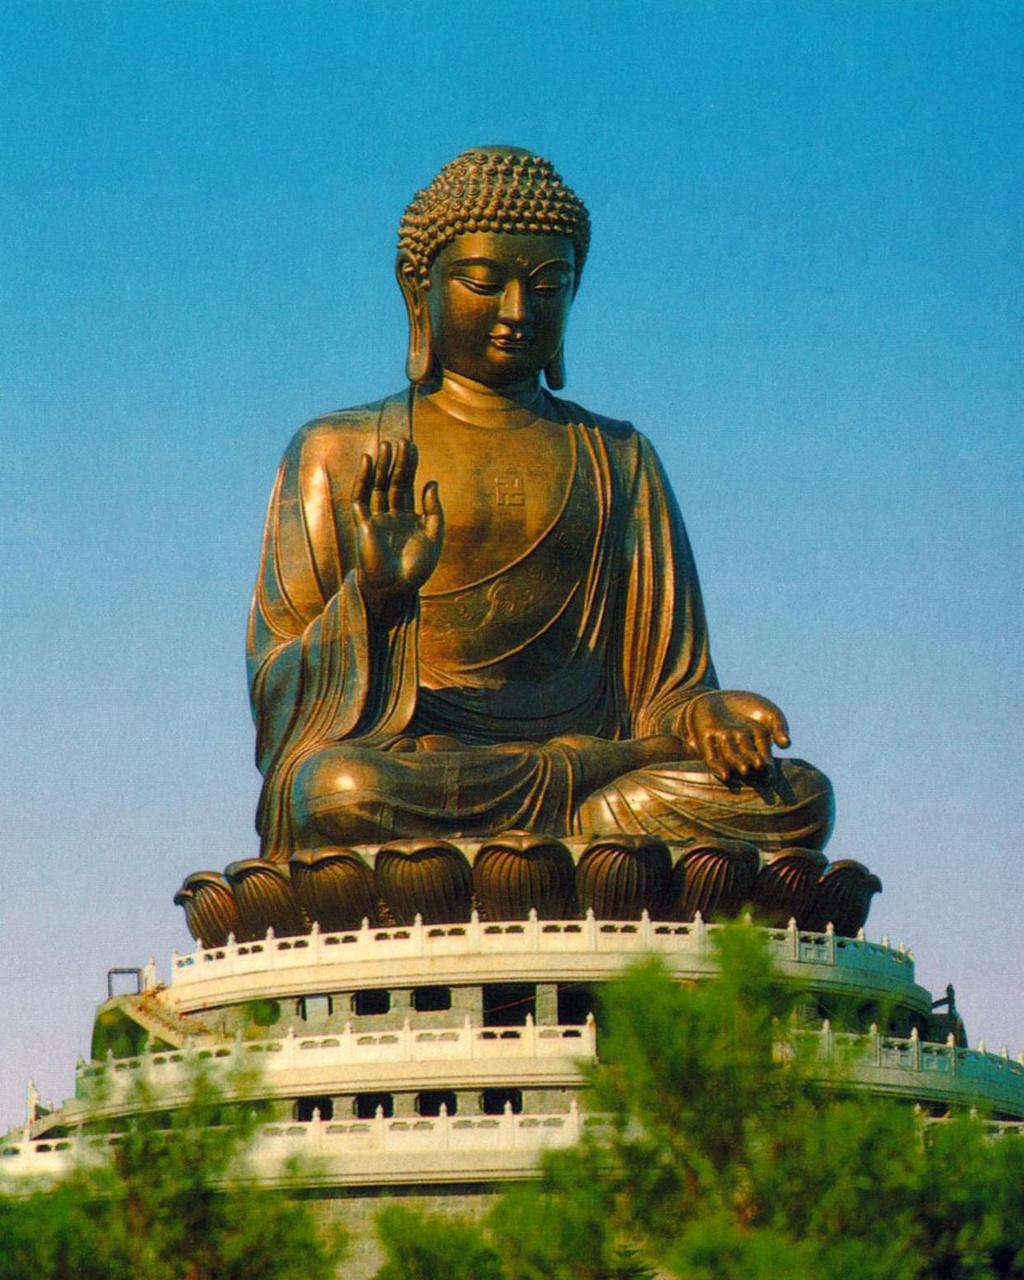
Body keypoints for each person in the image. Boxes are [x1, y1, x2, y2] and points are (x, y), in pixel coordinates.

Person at [247, 147, 833, 861]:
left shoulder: (618, 457)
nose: (518, 312)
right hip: (423, 769)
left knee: (795, 797)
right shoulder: (338, 450)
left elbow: (667, 689)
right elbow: (279, 693)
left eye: (549, 286)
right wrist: (376, 595)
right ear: (416, 287)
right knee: (335, 792)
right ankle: (588, 833)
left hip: (608, 771)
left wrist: (704, 713)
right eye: (484, 283)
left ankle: (587, 828)